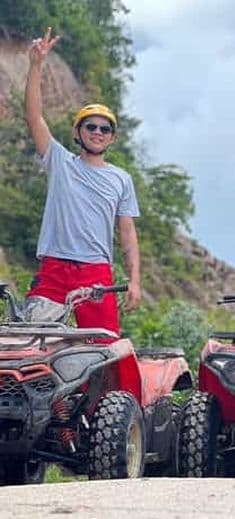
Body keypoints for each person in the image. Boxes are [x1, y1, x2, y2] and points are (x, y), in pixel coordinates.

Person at [24, 27, 141, 334]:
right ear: (78, 132)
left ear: (112, 138)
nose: (98, 132)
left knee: (105, 347)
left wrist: (135, 281)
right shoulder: (60, 162)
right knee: (34, 343)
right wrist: (36, 65)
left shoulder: (121, 179)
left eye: (105, 129)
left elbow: (127, 234)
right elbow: (34, 118)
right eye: (91, 126)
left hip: (96, 273)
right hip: (54, 268)